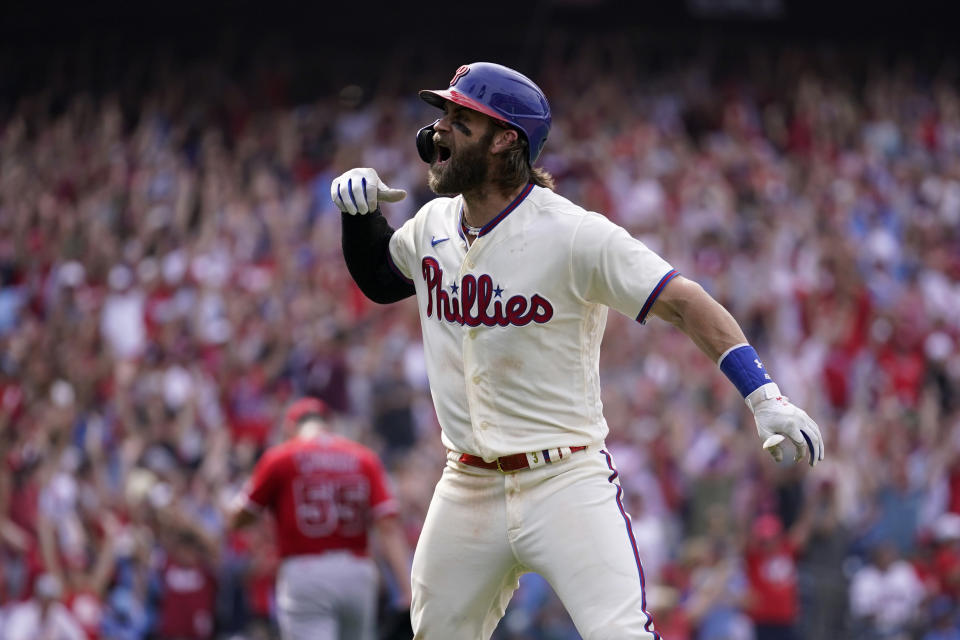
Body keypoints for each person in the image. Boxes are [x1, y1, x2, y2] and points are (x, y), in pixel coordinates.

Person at [331, 61, 824, 640]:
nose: (438, 131)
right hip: (466, 484)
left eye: (461, 120)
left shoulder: (573, 233)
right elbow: (383, 282)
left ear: (504, 142)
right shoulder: (433, 221)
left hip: (563, 479)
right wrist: (358, 223)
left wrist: (764, 395)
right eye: (443, 116)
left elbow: (685, 301)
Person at [227, 397, 412, 640]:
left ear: (290, 428)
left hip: (305, 571)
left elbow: (239, 518)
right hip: (357, 571)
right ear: (329, 424)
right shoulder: (364, 458)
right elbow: (387, 526)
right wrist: (407, 589)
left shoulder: (280, 458)